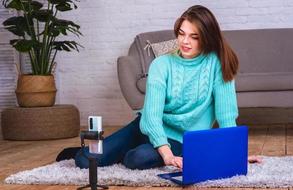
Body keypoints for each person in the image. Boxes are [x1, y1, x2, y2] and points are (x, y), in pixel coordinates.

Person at [57, 5, 262, 169]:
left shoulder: (219, 64)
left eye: (194, 36)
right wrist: (165, 153)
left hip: (183, 140)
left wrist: (235, 156)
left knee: (137, 159)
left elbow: (226, 115)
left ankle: (123, 152)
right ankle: (99, 151)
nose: (185, 41)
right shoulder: (161, 64)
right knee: (85, 161)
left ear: (207, 38)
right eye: (181, 34)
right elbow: (152, 117)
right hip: (146, 127)